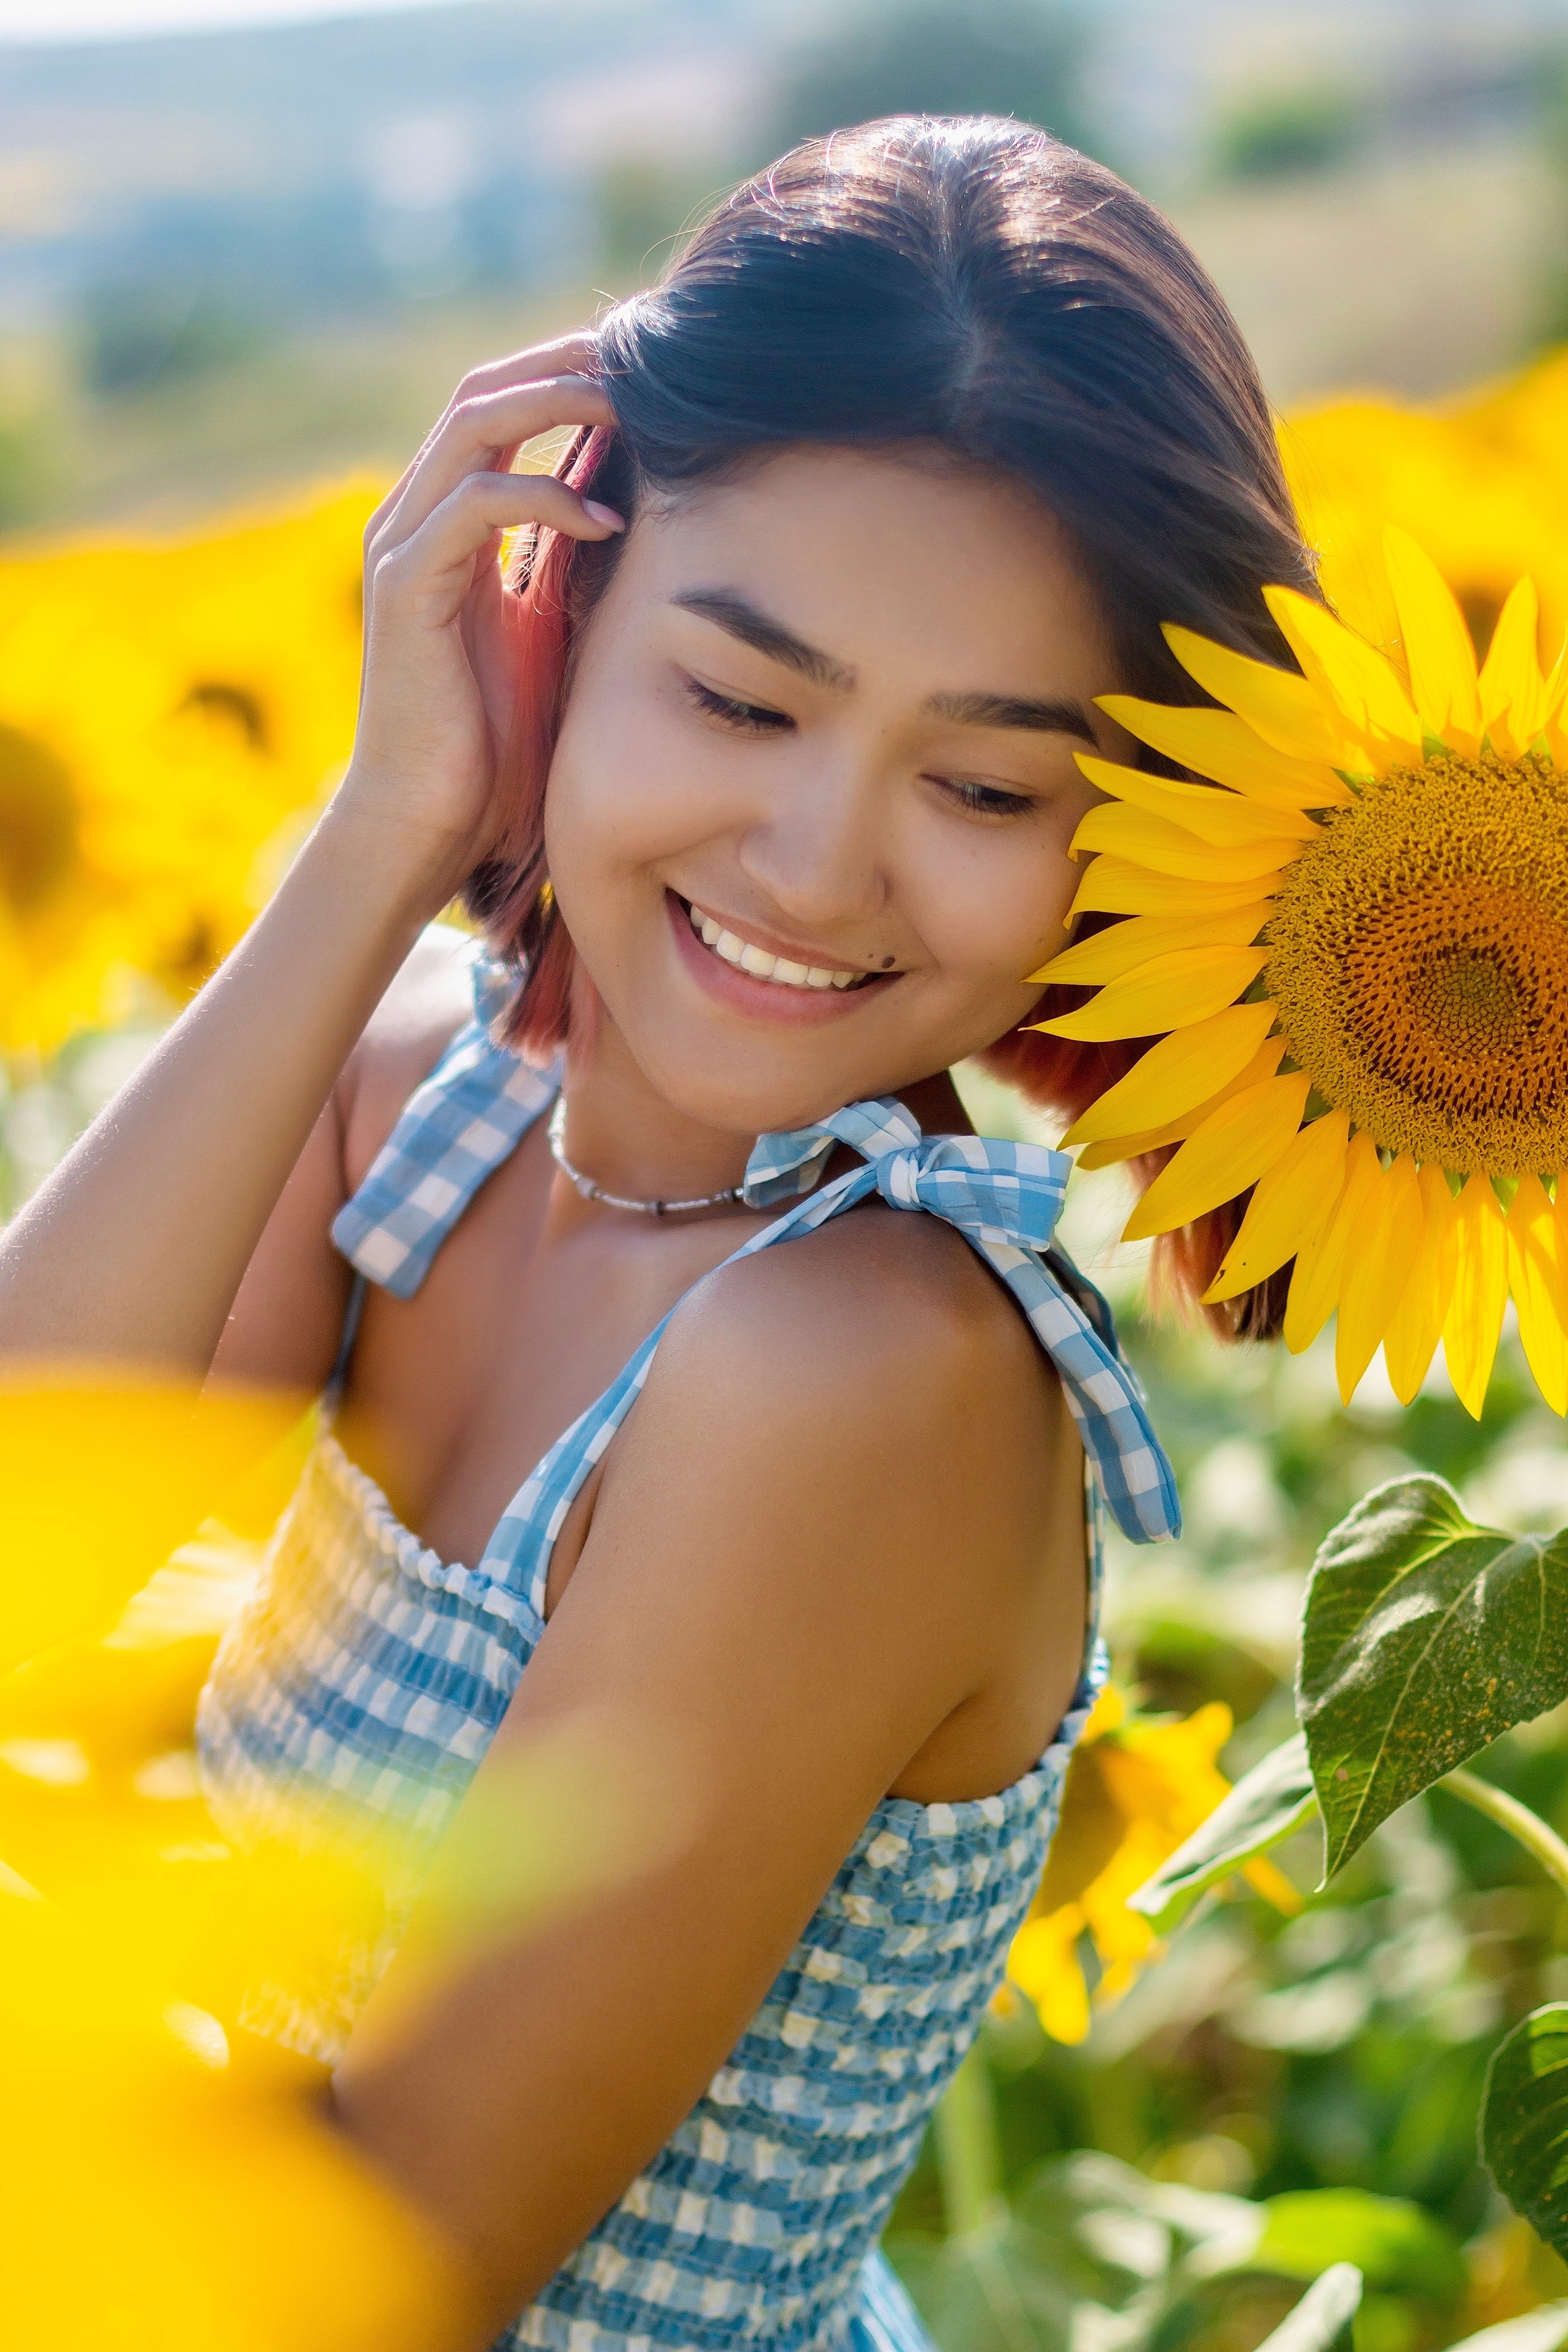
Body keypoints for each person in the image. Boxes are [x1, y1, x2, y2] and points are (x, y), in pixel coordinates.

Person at [0, 116, 1314, 2352]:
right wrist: (387, 826)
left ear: (1131, 837)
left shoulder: (863, 1373)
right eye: (737, 697)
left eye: (987, 785)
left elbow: (386, 2286)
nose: (813, 862)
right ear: (560, 613)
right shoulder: (424, 1113)